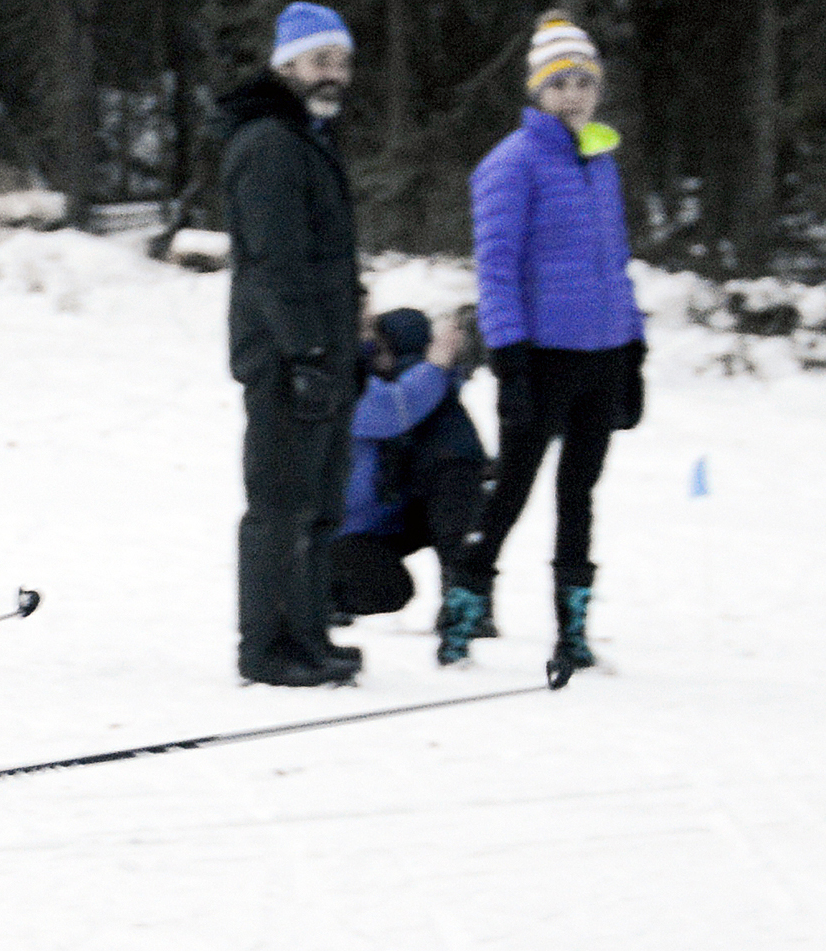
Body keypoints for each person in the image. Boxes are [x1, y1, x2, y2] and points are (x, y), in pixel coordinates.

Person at [436, 10, 647, 671]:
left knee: (579, 493)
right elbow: (495, 266)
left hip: (604, 353)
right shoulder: (511, 163)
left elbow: (615, 261)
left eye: (585, 81)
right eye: (561, 84)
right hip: (543, 356)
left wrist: (634, 349)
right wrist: (509, 356)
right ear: (537, 90)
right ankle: (462, 617)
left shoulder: (599, 159)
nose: (575, 94)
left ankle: (573, 631)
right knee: (513, 490)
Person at [216, 2, 364, 687]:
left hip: (321, 352)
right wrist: (305, 354)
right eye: (318, 60)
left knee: (316, 499)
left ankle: (307, 634)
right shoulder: (271, 141)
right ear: (285, 64)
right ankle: (267, 646)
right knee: (279, 501)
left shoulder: (307, 136)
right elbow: (277, 263)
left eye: (340, 61)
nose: (332, 73)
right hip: (284, 355)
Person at [331, 308, 490, 626]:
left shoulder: (383, 375)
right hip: (346, 529)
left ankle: (464, 599)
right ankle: (319, 596)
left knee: (454, 507)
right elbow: (394, 410)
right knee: (389, 586)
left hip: (377, 517)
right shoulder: (354, 382)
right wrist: (436, 366)